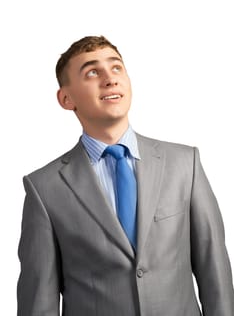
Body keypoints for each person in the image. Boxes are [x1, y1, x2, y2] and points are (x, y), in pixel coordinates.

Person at [17, 35, 234, 316]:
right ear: (66, 98)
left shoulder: (184, 164)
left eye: (116, 67)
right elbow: (38, 302)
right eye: (92, 72)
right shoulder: (44, 188)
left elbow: (213, 268)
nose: (109, 79)